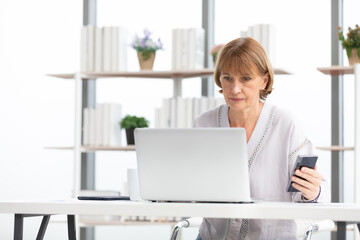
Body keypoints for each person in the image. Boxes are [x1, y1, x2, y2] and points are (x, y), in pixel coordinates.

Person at [193, 37, 329, 240]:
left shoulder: (286, 124)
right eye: (227, 78)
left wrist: (312, 192)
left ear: (264, 80)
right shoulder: (204, 123)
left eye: (246, 78)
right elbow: (192, 186)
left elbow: (320, 194)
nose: (234, 89)